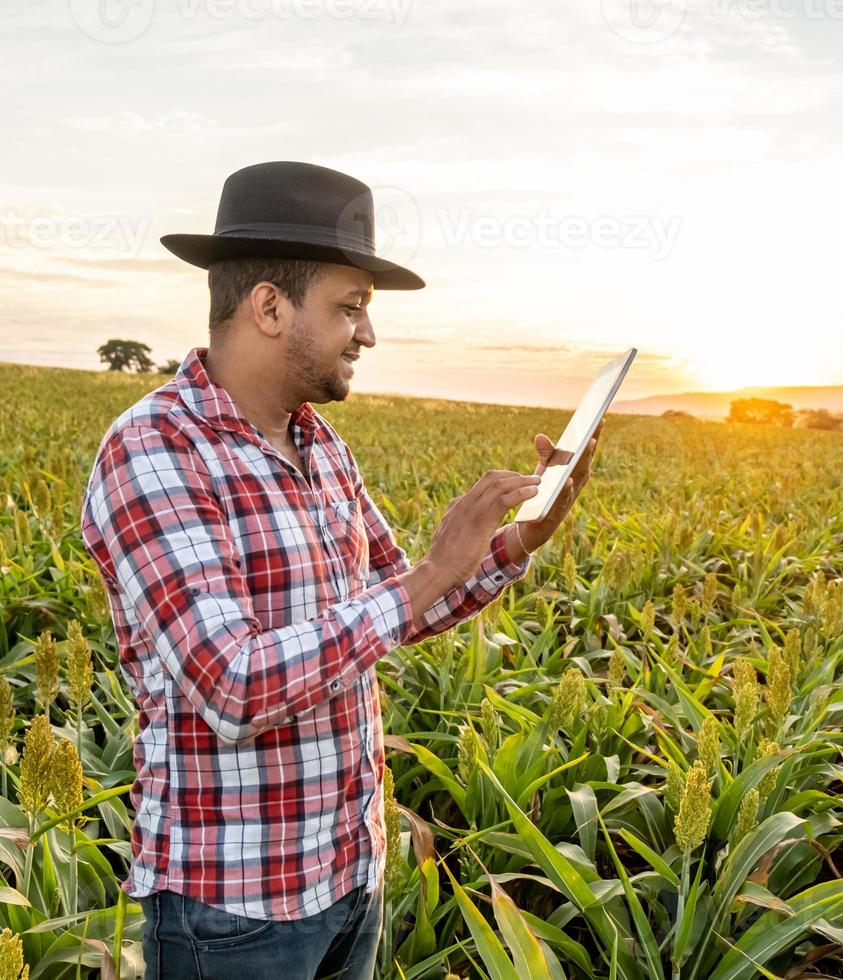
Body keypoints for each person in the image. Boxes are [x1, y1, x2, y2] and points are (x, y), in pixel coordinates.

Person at [79, 161, 600, 979]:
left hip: (350, 879)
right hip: (234, 912)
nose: (368, 333)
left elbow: (398, 606)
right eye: (350, 307)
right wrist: (429, 570)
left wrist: (518, 543)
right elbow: (234, 685)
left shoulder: (319, 444)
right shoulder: (154, 451)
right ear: (270, 307)